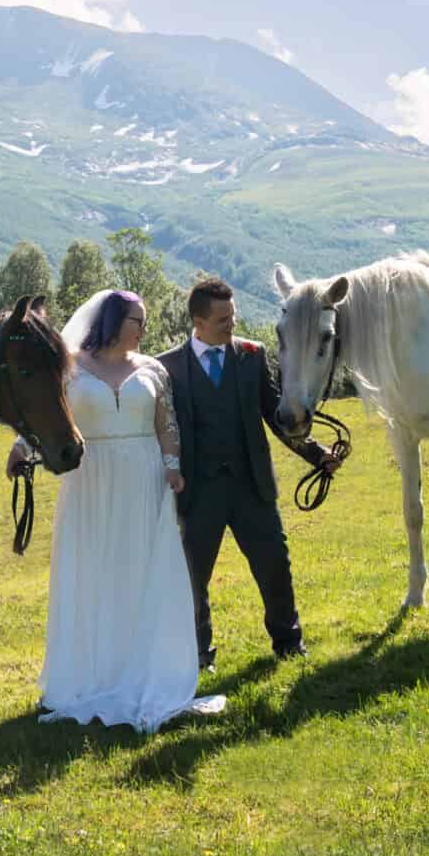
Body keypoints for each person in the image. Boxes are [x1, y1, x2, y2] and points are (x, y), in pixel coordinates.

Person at [29, 289, 224, 730]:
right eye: (138, 320)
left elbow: (166, 424)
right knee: (94, 569)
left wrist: (173, 467)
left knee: (140, 570)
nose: (143, 329)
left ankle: (145, 664)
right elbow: (47, 415)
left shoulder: (152, 369)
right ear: (115, 321)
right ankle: (91, 671)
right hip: (90, 480)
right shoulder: (72, 367)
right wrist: (23, 448)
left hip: (144, 479)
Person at [157, 276, 341, 670]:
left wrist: (316, 453)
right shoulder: (167, 367)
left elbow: (277, 416)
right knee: (191, 578)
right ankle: (198, 655)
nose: (232, 324)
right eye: (223, 319)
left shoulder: (251, 356)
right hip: (197, 493)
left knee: (275, 565)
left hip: (251, 487)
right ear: (198, 321)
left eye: (233, 315)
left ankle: (289, 642)